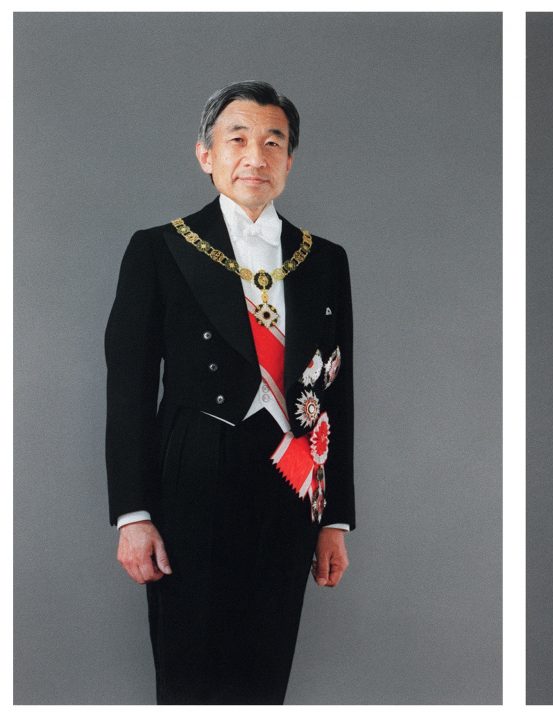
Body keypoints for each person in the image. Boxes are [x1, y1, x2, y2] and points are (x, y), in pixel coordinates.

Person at [105, 81, 355, 704]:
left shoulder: (324, 259)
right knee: (191, 672)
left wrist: (335, 519)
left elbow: (335, 394)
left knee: (264, 671)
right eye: (237, 139)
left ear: (289, 162)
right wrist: (133, 514)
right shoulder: (159, 249)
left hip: (290, 480)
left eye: (274, 142)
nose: (256, 156)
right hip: (193, 471)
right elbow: (129, 389)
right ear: (205, 155)